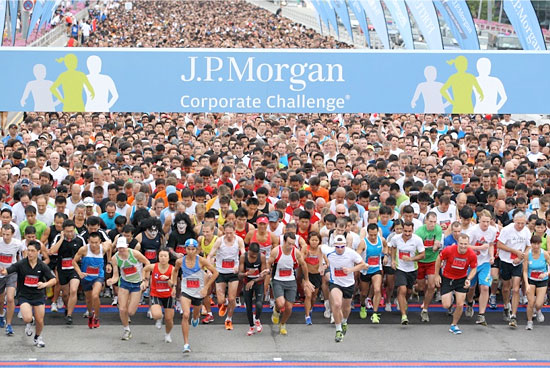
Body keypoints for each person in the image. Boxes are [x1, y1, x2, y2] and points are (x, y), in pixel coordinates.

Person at [0, 241, 56, 347]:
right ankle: (30, 322)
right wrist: (4, 272)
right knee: (26, 318)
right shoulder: (21, 264)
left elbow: (53, 280)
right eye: (28, 250)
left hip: (38, 295)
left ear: (38, 252)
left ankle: (38, 337)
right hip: (24, 295)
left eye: (33, 251)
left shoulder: (42, 266)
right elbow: (9, 270)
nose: (30, 253)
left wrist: (44, 284)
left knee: (40, 320)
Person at [173, 238, 218, 353]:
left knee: (195, 314)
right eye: (188, 249)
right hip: (186, 291)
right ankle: (186, 344)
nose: (191, 251)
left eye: (193, 249)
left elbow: (215, 273)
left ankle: (195, 317)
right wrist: (173, 286)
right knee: (186, 315)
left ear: (196, 250)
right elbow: (175, 271)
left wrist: (206, 287)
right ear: (185, 249)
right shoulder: (180, 261)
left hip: (198, 292)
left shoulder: (201, 261)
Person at [267, 232, 314, 335]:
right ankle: (276, 309)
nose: (290, 246)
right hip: (278, 280)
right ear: (284, 241)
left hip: (291, 281)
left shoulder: (295, 252)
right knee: (280, 303)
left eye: (293, 244)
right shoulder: (276, 251)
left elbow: (303, 265)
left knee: (289, 307)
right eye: (289, 243)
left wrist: (306, 280)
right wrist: (268, 272)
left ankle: (283, 323)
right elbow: (269, 263)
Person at [323, 234, 366, 342]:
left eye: (342, 246)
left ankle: (345, 321)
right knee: (337, 304)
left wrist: (350, 270)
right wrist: (321, 264)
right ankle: (338, 330)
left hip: (348, 284)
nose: (340, 249)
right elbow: (320, 248)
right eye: (338, 247)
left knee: (346, 308)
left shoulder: (351, 253)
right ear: (334, 246)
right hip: (335, 282)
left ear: (345, 245)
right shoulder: (329, 251)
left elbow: (363, 264)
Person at [106, 236, 150, 340]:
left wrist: (145, 279)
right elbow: (116, 275)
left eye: (123, 248)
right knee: (122, 308)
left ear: (127, 246)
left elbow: (147, 263)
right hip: (125, 283)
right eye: (119, 248)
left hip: (137, 284)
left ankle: (127, 325)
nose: (121, 250)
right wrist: (111, 281)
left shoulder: (135, 254)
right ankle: (126, 330)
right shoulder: (115, 258)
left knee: (131, 312)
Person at [435, 234, 477, 334]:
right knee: (446, 305)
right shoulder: (449, 250)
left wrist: (469, 279)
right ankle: (450, 299)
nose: (463, 246)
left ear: (468, 244)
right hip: (447, 277)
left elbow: (474, 268)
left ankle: (454, 325)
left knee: (460, 304)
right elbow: (438, 259)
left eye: (465, 244)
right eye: (461, 244)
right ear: (457, 243)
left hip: (461, 279)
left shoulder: (471, 254)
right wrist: (437, 275)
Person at [207, 222, 245, 330]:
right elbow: (210, 255)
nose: (228, 235)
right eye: (226, 233)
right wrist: (210, 270)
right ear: (224, 232)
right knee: (220, 300)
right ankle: (223, 305)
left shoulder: (239, 240)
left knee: (232, 299)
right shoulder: (219, 241)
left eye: (231, 233)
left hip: (233, 273)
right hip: (220, 272)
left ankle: (229, 319)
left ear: (235, 232)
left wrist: (240, 267)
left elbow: (243, 255)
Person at [497, 211, 531, 327]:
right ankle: (506, 305)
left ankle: (514, 316)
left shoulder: (526, 231)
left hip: (518, 263)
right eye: (518, 223)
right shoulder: (507, 230)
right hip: (506, 261)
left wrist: (522, 255)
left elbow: (529, 246)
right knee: (506, 287)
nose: (520, 226)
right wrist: (514, 251)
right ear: (514, 221)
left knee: (516, 289)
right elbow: (499, 245)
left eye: (523, 223)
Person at [49, 219, 86, 325]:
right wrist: (61, 238)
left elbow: (85, 253)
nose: (70, 233)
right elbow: (51, 251)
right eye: (67, 231)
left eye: (72, 231)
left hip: (75, 268)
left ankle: (69, 315)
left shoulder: (80, 239)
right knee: (65, 294)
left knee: (73, 290)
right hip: (62, 268)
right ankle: (67, 308)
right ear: (63, 231)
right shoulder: (58, 238)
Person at [464, 210, 497, 326]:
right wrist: (479, 248)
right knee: (471, 287)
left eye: (488, 222)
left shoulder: (493, 231)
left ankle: (481, 314)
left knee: (484, 287)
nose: (486, 224)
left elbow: (491, 245)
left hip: (485, 263)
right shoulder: (472, 231)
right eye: (483, 221)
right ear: (479, 220)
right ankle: (469, 302)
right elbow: (465, 246)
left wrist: (492, 256)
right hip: (472, 263)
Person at [390, 222, 425, 325]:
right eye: (405, 231)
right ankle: (404, 316)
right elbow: (393, 247)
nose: (407, 233)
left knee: (408, 291)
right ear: (402, 230)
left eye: (409, 231)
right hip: (400, 268)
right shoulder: (396, 238)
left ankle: (402, 302)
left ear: (412, 230)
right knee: (402, 289)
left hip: (412, 269)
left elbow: (422, 255)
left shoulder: (417, 240)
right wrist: (392, 260)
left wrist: (411, 259)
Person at [72, 232, 105, 329]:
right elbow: (74, 261)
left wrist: (109, 262)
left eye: (96, 242)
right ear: (88, 241)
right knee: (89, 299)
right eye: (92, 242)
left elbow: (110, 247)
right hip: (86, 277)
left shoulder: (104, 248)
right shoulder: (84, 249)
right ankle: (90, 314)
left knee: (95, 295)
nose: (94, 245)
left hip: (98, 276)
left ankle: (97, 317)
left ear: (100, 242)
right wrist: (79, 273)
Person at [142, 247, 175, 342]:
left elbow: (173, 284)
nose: (163, 258)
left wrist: (167, 279)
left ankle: (167, 334)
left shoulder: (172, 269)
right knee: (156, 315)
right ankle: (159, 319)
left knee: (169, 319)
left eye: (165, 256)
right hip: (155, 293)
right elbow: (144, 269)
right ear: (158, 257)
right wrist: (145, 280)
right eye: (161, 256)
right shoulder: (154, 266)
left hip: (168, 295)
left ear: (169, 258)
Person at [415, 212, 442, 323]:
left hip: (432, 260)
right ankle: (416, 289)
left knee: (431, 285)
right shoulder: (419, 232)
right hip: (421, 260)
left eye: (434, 222)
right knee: (421, 286)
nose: (432, 224)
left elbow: (437, 242)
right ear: (426, 221)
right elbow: (418, 249)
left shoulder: (438, 229)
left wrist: (436, 245)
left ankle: (425, 309)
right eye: (430, 222)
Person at [356, 223, 386, 323]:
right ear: (367, 233)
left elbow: (386, 247)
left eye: (375, 234)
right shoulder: (363, 243)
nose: (373, 237)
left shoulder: (381, 240)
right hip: (365, 270)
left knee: (377, 290)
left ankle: (375, 313)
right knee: (364, 293)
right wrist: (362, 263)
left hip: (376, 269)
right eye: (371, 235)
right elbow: (356, 256)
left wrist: (385, 255)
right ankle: (363, 305)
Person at [0, 224, 26, 335]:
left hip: (11, 272)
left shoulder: (17, 243)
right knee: (1, 300)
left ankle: (9, 324)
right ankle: (1, 314)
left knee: (10, 298)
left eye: (8, 235)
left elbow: (24, 252)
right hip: (0, 273)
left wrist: (23, 264)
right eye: (3, 234)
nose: (5, 237)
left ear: (13, 234)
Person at [238, 242, 268, 336]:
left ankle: (257, 319)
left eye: (255, 256)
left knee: (259, 304)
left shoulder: (261, 257)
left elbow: (264, 275)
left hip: (258, 282)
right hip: (247, 283)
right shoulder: (243, 257)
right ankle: (251, 326)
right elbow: (239, 275)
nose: (254, 257)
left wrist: (254, 281)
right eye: (252, 255)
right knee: (248, 307)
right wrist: (246, 274)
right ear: (248, 251)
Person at [523, 235, 550, 330]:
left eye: (538, 244)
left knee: (538, 303)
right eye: (534, 244)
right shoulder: (527, 254)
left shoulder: (545, 254)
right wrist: (526, 284)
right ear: (531, 244)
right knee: (531, 302)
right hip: (531, 280)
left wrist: (546, 273)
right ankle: (529, 322)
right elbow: (525, 271)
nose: (536, 246)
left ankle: (538, 310)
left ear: (540, 244)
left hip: (542, 280)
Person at [301, 231, 326, 325]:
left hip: (317, 275)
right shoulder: (305, 248)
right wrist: (305, 256)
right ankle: (307, 316)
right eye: (312, 240)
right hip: (307, 276)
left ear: (319, 241)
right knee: (308, 295)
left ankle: (310, 309)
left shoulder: (321, 250)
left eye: (316, 240)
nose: (314, 242)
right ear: (309, 240)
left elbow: (327, 262)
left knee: (314, 296)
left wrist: (324, 266)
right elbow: (299, 260)